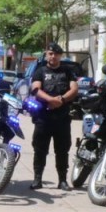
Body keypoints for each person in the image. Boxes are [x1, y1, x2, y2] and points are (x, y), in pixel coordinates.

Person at [29, 43, 79, 190]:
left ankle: (62, 180)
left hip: (62, 118)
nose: (53, 56)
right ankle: (37, 179)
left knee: (62, 150)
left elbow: (74, 89)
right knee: (40, 149)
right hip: (43, 117)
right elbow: (35, 89)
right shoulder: (40, 70)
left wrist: (61, 100)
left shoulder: (68, 71)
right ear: (46, 54)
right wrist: (50, 100)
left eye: (56, 54)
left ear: (60, 55)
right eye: (50, 53)